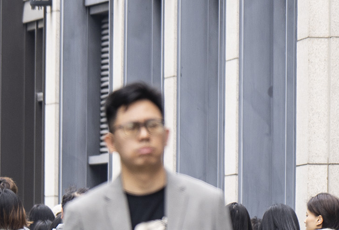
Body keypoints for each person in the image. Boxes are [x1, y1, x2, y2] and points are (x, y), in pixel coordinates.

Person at [61, 81, 227, 230]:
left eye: (152, 125)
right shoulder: (84, 214)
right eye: (131, 127)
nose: (144, 135)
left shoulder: (208, 204)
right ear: (111, 142)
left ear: (166, 135)